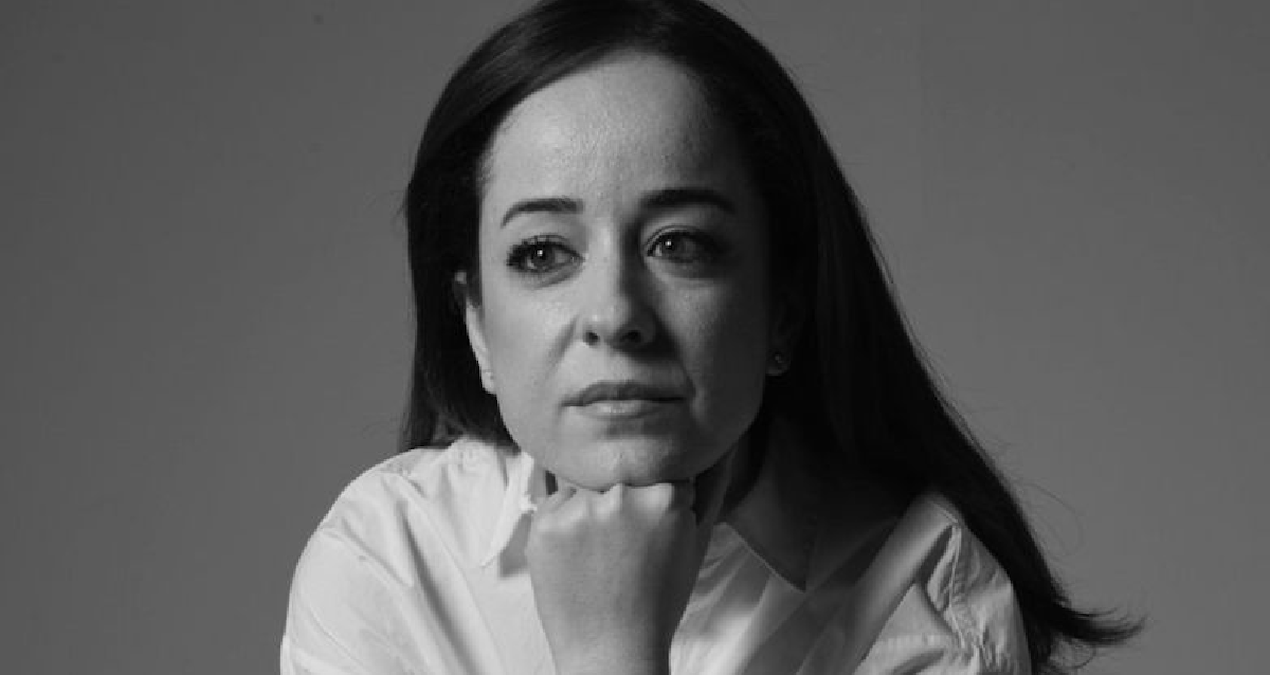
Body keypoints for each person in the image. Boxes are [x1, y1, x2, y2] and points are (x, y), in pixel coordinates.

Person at [281, 0, 1140, 673]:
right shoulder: (391, 554)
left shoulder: (928, 600)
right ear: (475, 325)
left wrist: (612, 651)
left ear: (783, 307)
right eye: (543, 253)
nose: (614, 313)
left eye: (679, 244)